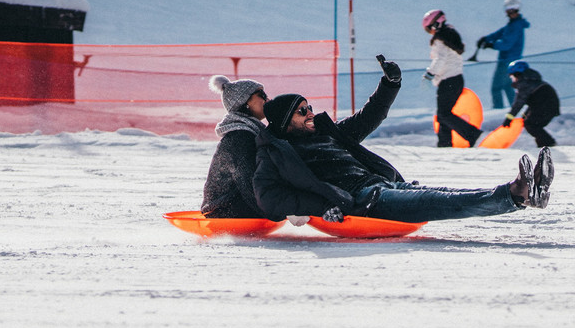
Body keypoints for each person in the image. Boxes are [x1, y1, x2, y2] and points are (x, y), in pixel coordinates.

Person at [253, 57, 555, 223]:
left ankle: (528, 193)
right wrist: (321, 207)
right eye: (301, 111)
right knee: (438, 202)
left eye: (309, 107)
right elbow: (270, 199)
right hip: (365, 201)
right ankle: (518, 193)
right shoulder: (278, 152)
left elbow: (369, 117)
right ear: (283, 123)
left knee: (444, 192)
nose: (310, 113)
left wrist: (390, 84)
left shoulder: (327, 133)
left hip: (384, 185)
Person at [201, 75, 270, 218]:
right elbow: (247, 180)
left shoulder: (250, 131)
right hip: (225, 210)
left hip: (235, 204)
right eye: (261, 95)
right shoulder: (240, 136)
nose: (267, 99)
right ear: (245, 102)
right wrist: (273, 211)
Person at [422, 9, 482, 148]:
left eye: (429, 28)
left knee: (443, 114)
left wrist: (429, 75)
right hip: (455, 80)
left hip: (448, 81)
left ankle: (472, 133)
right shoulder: (450, 35)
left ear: (437, 24)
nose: (430, 32)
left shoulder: (440, 39)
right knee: (443, 114)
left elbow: (440, 59)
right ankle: (444, 144)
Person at [477, 0, 530, 109]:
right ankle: (515, 108)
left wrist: (491, 45)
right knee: (507, 86)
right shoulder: (513, 24)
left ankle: (498, 109)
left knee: (496, 87)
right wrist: (486, 39)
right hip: (509, 60)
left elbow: (506, 44)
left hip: (507, 60)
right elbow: (500, 33)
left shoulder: (516, 26)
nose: (510, 13)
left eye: (512, 11)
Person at [503, 60, 561, 147]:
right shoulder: (532, 80)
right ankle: (545, 144)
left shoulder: (524, 83)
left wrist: (509, 118)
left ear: (517, 74)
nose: (512, 79)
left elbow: (519, 103)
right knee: (530, 122)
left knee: (531, 124)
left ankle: (549, 144)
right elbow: (534, 101)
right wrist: (525, 114)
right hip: (548, 105)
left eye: (512, 76)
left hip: (546, 106)